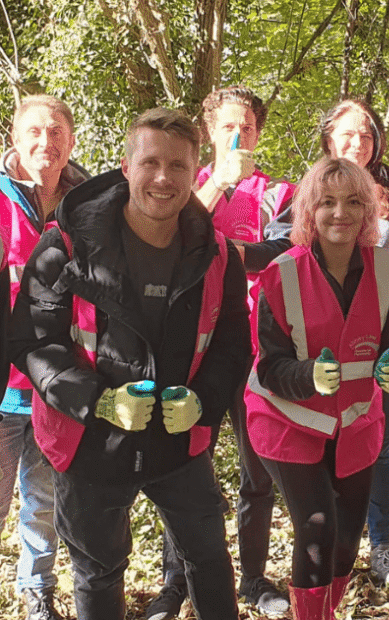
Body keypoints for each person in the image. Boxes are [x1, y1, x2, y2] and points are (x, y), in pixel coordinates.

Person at [9, 107, 252, 620]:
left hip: (180, 442)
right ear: (125, 165)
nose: (163, 179)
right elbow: (34, 342)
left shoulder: (219, 254)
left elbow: (234, 344)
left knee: (208, 558)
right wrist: (98, 401)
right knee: (98, 570)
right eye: (151, 163)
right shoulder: (66, 245)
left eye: (178, 166)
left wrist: (203, 403)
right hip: (90, 442)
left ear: (196, 172)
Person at [244, 157, 389, 619]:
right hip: (287, 420)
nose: (340, 213)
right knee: (317, 527)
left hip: (356, 423)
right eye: (327, 202)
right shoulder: (279, 274)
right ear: (308, 211)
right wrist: (309, 377)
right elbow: (270, 366)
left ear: (368, 212)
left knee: (346, 538)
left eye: (353, 202)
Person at [147, 85, 294, 620]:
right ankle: (175, 583)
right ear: (209, 131)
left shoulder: (280, 190)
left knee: (258, 472)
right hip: (196, 350)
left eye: (248, 127)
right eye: (228, 126)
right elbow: (168, 234)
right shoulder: (185, 184)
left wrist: (231, 251)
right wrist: (219, 188)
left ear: (259, 132)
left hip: (261, 350)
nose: (238, 135)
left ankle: (254, 578)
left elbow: (285, 248)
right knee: (186, 467)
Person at [319, 98, 389, 586]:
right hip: (323, 342)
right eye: (347, 134)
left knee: (379, 446)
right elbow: (286, 250)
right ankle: (329, 547)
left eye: (366, 135)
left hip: (384, 340)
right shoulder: (310, 191)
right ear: (328, 140)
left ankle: (382, 547)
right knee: (323, 443)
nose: (357, 143)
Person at [0, 94, 89, 620]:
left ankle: (37, 590)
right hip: (4, 383)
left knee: (44, 498)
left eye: (56, 132)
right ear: (14, 138)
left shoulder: (89, 206)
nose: (45, 143)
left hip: (57, 381)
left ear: (71, 141)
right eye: (34, 132)